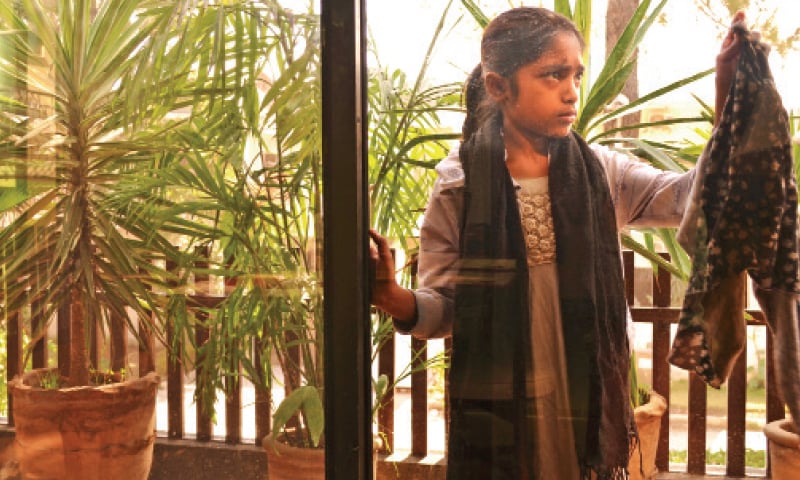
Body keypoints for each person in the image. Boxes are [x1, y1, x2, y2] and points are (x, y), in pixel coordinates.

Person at [370, 7, 745, 479]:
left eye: (575, 75)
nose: (571, 91)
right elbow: (448, 309)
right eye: (552, 75)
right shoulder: (459, 186)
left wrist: (727, 105)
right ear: (498, 86)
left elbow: (693, 199)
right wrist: (391, 298)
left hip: (584, 404)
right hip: (503, 411)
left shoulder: (601, 174)